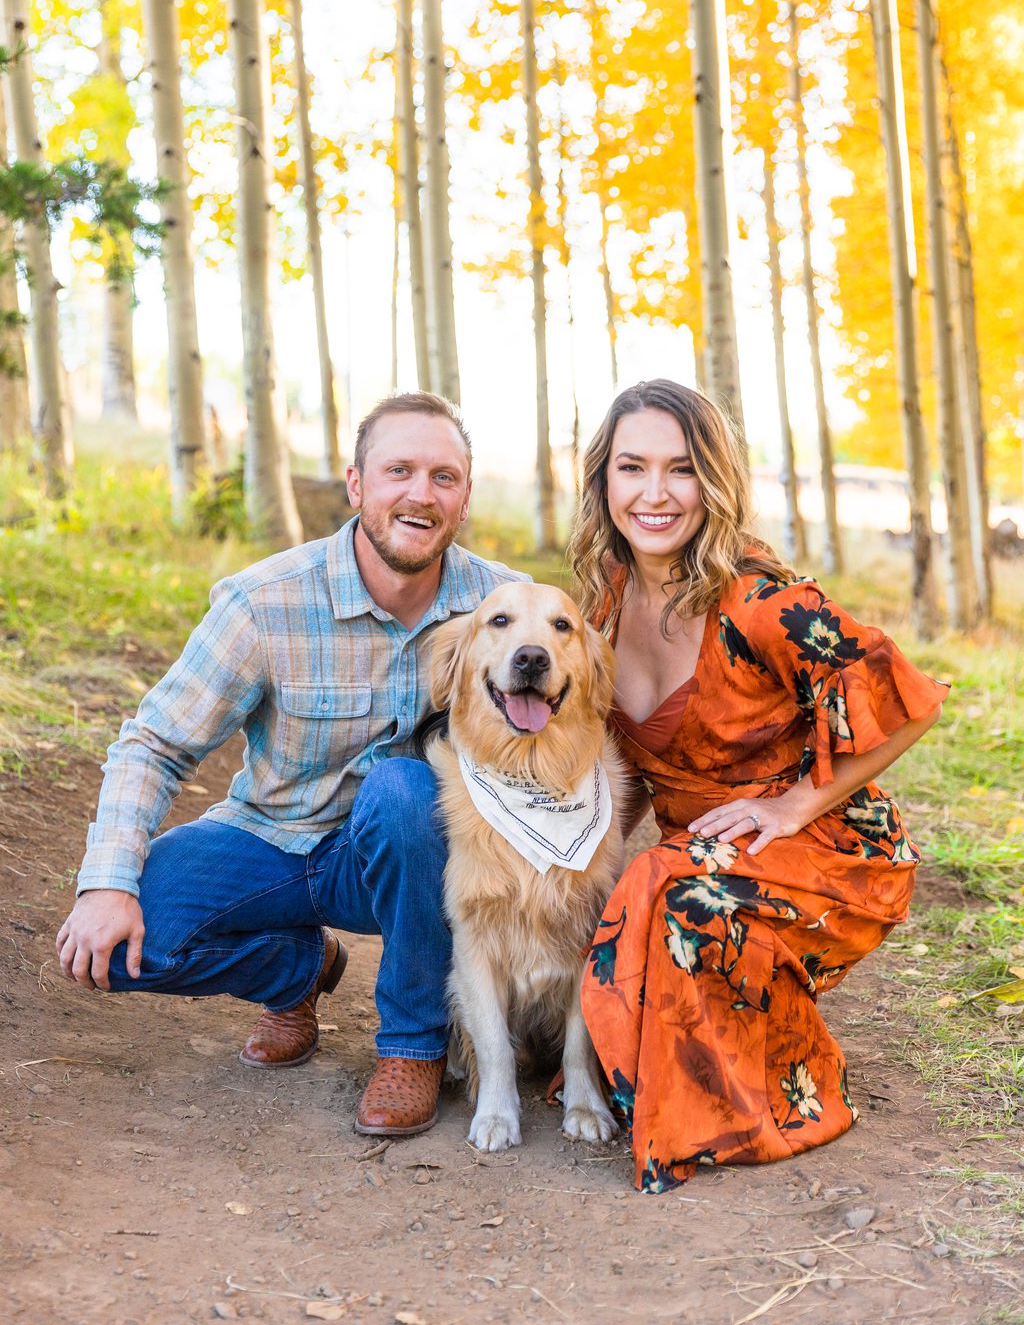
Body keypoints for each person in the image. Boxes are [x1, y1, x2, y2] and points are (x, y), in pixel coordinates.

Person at [56, 392, 527, 1138]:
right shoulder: (264, 601)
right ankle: (296, 971)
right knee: (114, 949)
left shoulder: (501, 606)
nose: (420, 493)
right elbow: (154, 743)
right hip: (270, 838)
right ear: (355, 484)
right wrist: (108, 883)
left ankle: (413, 1044)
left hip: (406, 855)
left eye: (444, 476)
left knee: (407, 789)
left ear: (465, 495)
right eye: (398, 470)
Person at [567, 379, 948, 1193]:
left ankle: (761, 1108)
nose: (656, 494)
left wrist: (795, 802)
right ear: (604, 479)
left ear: (716, 479)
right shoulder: (603, 596)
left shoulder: (763, 601)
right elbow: (636, 761)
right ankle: (685, 1071)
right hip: (710, 851)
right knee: (643, 883)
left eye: (682, 469)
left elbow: (909, 703)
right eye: (633, 468)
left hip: (831, 850)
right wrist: (590, 851)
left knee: (666, 882)